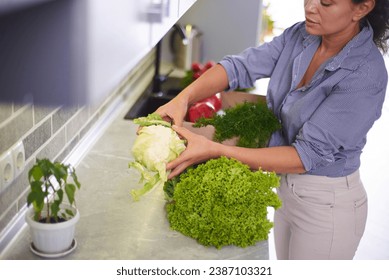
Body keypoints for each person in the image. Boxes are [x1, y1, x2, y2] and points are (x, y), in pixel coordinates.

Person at [155, 0, 389, 259]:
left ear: (362, 8)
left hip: (327, 205)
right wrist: (182, 99)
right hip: (285, 190)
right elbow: (239, 67)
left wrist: (214, 150)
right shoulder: (302, 35)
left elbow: (305, 156)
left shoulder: (364, 75)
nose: (310, 7)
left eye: (325, 2)